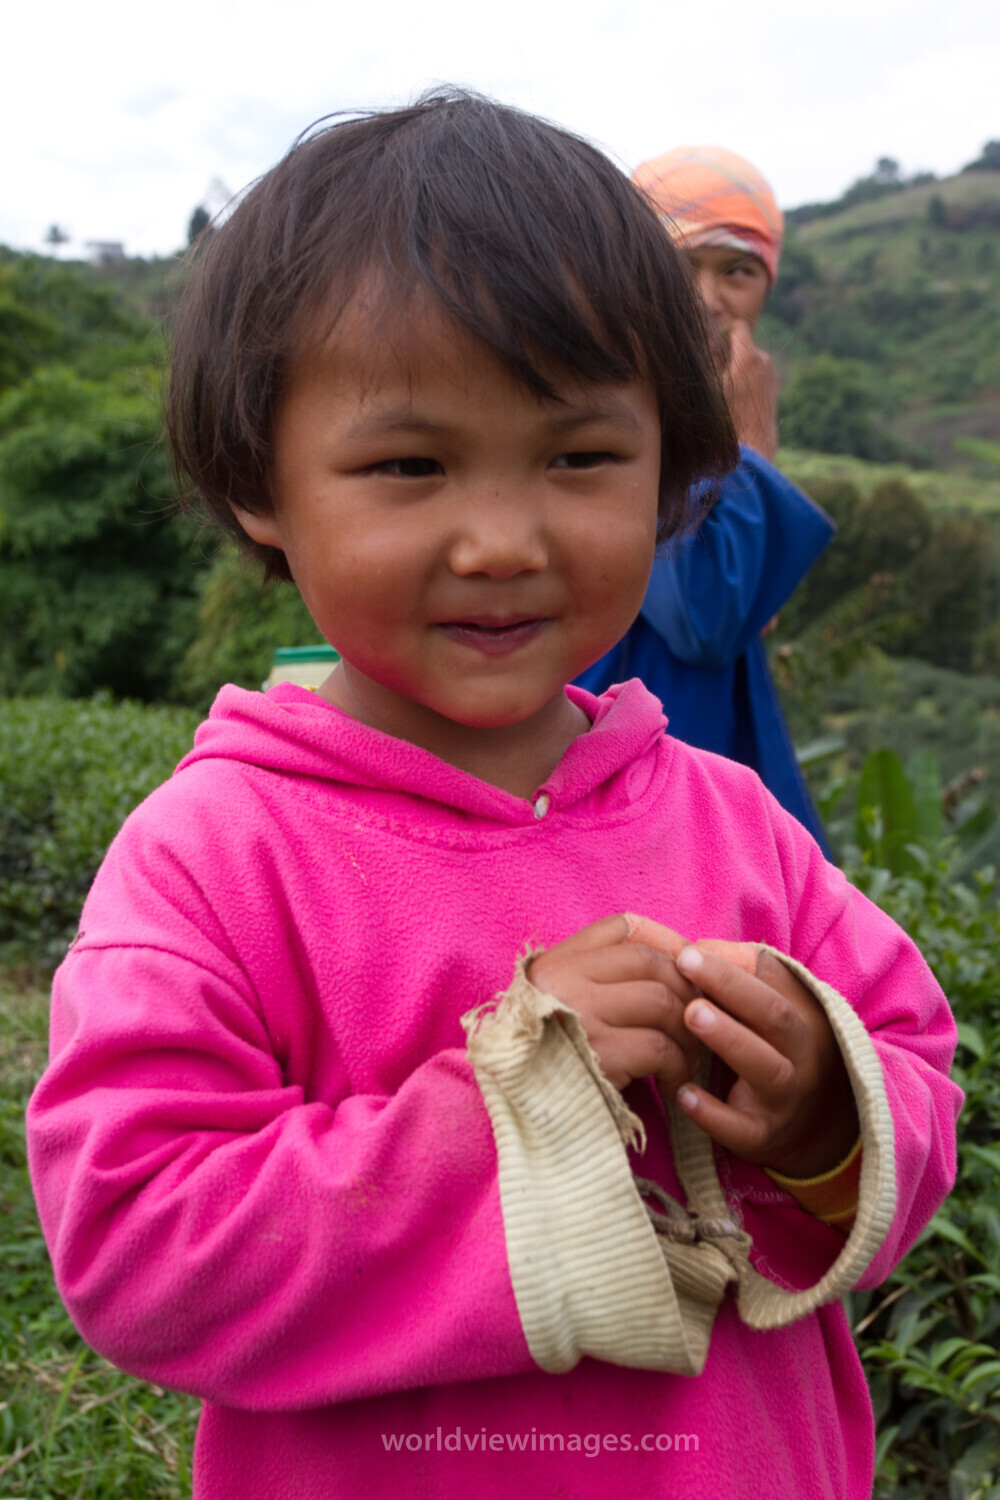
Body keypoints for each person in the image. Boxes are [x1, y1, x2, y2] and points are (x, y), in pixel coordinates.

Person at [26, 94, 959, 1500]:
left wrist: (828, 1110)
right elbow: (139, 1247)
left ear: (671, 470)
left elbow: (914, 1071)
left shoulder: (733, 825)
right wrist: (522, 1105)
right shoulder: (217, 857)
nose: (503, 542)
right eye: (410, 466)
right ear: (259, 484)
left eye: (580, 458)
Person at [575, 145, 835, 850]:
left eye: (737, 272)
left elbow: (749, 611)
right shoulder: (612, 419)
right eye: (681, 266)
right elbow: (707, 613)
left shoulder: (695, 420)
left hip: (704, 772)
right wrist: (750, 445)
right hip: (623, 786)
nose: (707, 297)